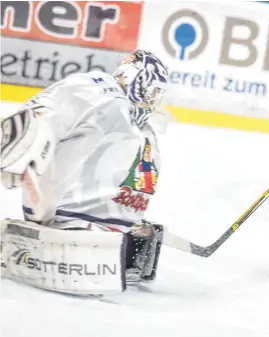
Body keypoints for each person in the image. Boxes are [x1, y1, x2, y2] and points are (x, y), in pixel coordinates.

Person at [1, 49, 171, 294]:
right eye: (153, 91)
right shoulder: (103, 91)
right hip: (72, 228)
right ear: (133, 78)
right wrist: (33, 126)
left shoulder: (144, 128)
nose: (154, 101)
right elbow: (54, 104)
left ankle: (116, 230)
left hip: (108, 239)